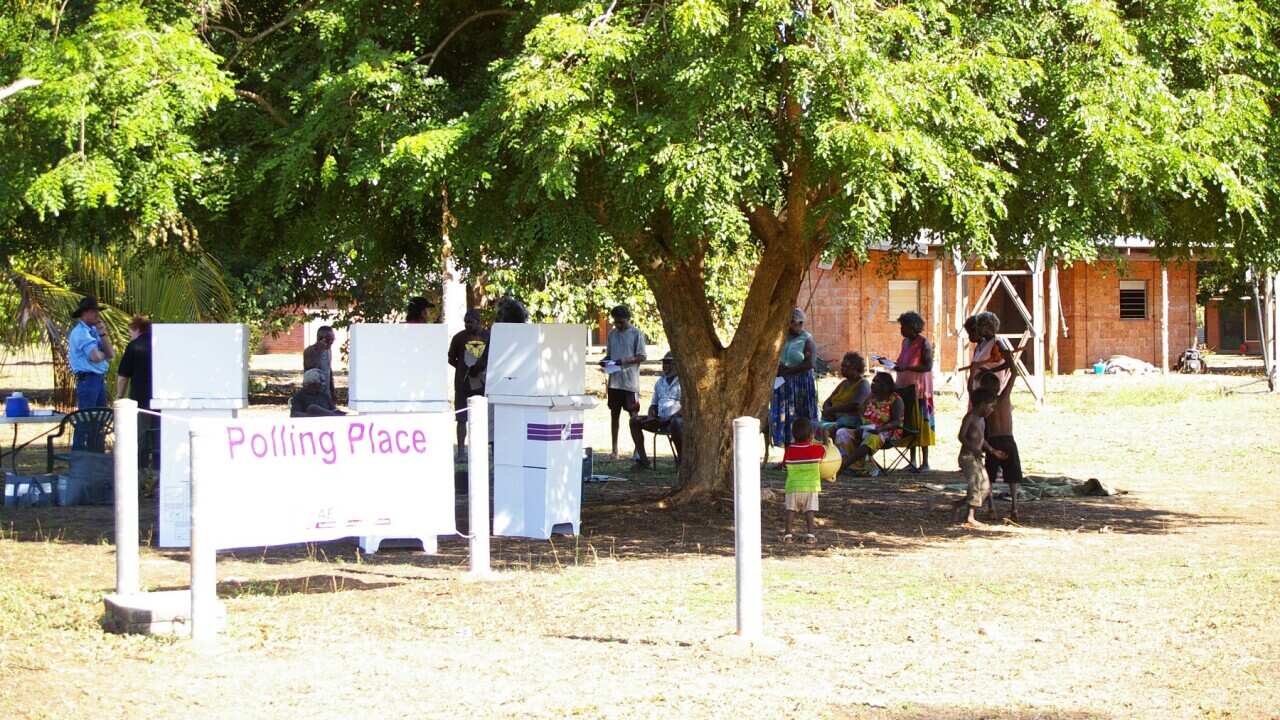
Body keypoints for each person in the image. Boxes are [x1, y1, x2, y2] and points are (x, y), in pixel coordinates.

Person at [880, 311, 935, 472]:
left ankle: (925, 462)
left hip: (920, 389)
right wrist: (889, 363)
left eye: (903, 326)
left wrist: (908, 367)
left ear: (913, 327)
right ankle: (912, 460)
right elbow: (900, 362)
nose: (901, 330)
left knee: (921, 423)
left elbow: (928, 366)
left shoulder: (924, 343)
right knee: (909, 421)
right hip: (903, 387)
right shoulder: (905, 343)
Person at [953, 388, 1004, 528]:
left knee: (986, 488)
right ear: (982, 404)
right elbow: (961, 436)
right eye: (991, 406)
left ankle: (958, 505)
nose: (992, 410)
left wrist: (993, 451)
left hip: (977, 458)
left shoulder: (982, 419)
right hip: (967, 456)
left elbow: (982, 440)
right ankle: (970, 517)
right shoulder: (970, 417)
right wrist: (973, 448)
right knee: (975, 484)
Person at [978, 363, 1023, 521]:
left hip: (993, 441)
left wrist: (980, 370)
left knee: (989, 476)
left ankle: (991, 507)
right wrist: (1008, 359)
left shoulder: (984, 405)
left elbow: (971, 387)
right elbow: (1015, 373)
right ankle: (1014, 508)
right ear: (998, 386)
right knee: (1013, 477)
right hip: (1008, 439)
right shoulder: (1004, 397)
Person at [600, 305, 646, 460]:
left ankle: (637, 450)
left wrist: (624, 360)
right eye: (616, 322)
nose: (618, 325)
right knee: (614, 415)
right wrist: (605, 362)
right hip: (615, 382)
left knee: (634, 416)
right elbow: (610, 355)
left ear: (628, 319)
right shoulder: (612, 334)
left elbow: (641, 356)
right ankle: (614, 450)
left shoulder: (636, 334)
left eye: (621, 322)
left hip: (630, 382)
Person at [770, 308, 818, 447]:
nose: (799, 326)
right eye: (796, 323)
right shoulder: (781, 337)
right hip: (783, 384)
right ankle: (788, 453)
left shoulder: (807, 338)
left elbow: (810, 363)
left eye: (801, 323)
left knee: (801, 417)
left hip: (801, 384)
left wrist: (790, 371)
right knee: (784, 417)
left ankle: (804, 450)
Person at [841, 372, 904, 477]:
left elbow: (896, 422)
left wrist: (880, 429)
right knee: (842, 433)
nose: (872, 384)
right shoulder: (871, 397)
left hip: (886, 432)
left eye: (876, 382)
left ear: (886, 386)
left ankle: (844, 465)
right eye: (873, 381)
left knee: (872, 437)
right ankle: (857, 467)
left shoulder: (896, 400)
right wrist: (859, 427)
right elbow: (861, 412)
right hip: (866, 429)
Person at [116, 315, 158, 470]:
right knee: (158, 435)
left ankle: (141, 469)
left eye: (130, 332)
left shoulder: (134, 346)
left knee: (140, 436)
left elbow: (123, 377)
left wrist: (120, 396)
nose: (130, 335)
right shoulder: (160, 343)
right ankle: (158, 467)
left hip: (140, 399)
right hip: (161, 400)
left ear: (137, 329)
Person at [629, 352, 683, 468]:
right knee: (634, 421)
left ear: (677, 364)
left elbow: (687, 408)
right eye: (664, 363)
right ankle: (643, 460)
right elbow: (653, 405)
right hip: (659, 420)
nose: (665, 366)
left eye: (668, 362)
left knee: (676, 422)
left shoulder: (683, 382)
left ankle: (681, 461)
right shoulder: (660, 382)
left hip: (675, 421)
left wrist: (670, 418)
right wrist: (651, 415)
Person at [448, 309, 489, 459]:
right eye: (466, 322)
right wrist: (464, 368)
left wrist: (479, 368)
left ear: (479, 322)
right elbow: (451, 358)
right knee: (461, 419)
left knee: (481, 417)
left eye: (470, 322)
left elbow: (492, 356)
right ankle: (460, 451)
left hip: (481, 383)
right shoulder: (459, 338)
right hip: (462, 384)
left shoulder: (487, 337)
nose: (467, 325)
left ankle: (480, 450)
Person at [67, 296, 115, 411]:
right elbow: (96, 357)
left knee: (99, 418)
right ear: (84, 313)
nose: (97, 314)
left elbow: (111, 354)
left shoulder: (94, 330)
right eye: (94, 311)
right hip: (87, 380)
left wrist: (103, 334)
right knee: (88, 420)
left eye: (97, 311)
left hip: (98, 378)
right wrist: (104, 354)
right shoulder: (81, 332)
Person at [782, 417, 825, 544]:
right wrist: (825, 438)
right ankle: (811, 536)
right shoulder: (817, 449)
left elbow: (784, 467)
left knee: (790, 511)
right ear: (811, 435)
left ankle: (788, 535)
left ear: (793, 435)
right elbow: (825, 452)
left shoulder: (789, 450)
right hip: (810, 487)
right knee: (809, 512)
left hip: (793, 487)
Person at [822, 352, 871, 454]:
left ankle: (837, 458)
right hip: (834, 417)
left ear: (856, 368)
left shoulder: (863, 384)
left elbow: (855, 405)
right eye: (842, 366)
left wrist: (833, 410)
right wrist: (827, 409)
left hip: (852, 419)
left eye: (846, 366)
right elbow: (828, 400)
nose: (842, 369)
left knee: (828, 428)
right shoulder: (844, 383)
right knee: (814, 426)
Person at [302, 326, 336, 402]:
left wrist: (332, 391)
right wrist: (319, 351)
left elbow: (329, 370)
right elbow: (311, 371)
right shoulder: (310, 351)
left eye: (333, 339)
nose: (331, 342)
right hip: (314, 394)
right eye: (329, 339)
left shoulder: (328, 351)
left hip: (326, 394)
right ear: (321, 339)